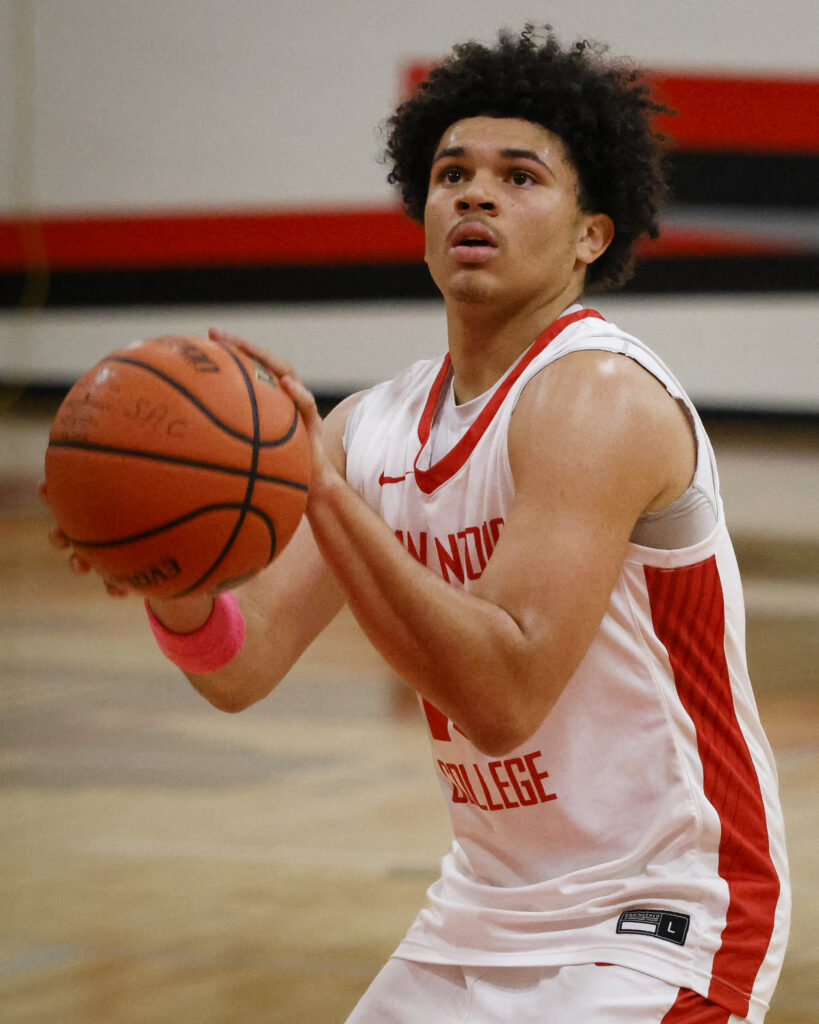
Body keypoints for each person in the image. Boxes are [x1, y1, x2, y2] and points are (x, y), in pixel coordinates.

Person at [45, 25, 789, 1024]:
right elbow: (239, 664)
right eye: (453, 173)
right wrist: (165, 566)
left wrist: (315, 485)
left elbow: (502, 695)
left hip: (660, 913)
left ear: (591, 234)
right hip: (481, 907)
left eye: (521, 177)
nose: (476, 194)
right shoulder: (371, 427)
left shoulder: (595, 400)